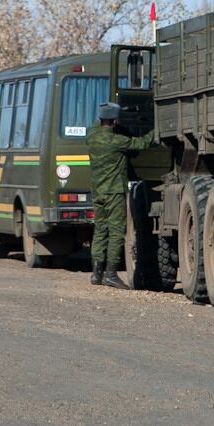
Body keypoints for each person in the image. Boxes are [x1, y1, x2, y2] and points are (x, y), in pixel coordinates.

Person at [87, 102, 156, 288]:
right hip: (114, 191)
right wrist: (156, 131)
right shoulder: (117, 141)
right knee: (117, 232)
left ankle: (96, 273)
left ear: (101, 119)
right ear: (116, 121)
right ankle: (111, 273)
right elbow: (142, 143)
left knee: (100, 230)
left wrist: (113, 114)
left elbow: (99, 125)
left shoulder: (92, 136)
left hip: (97, 191)